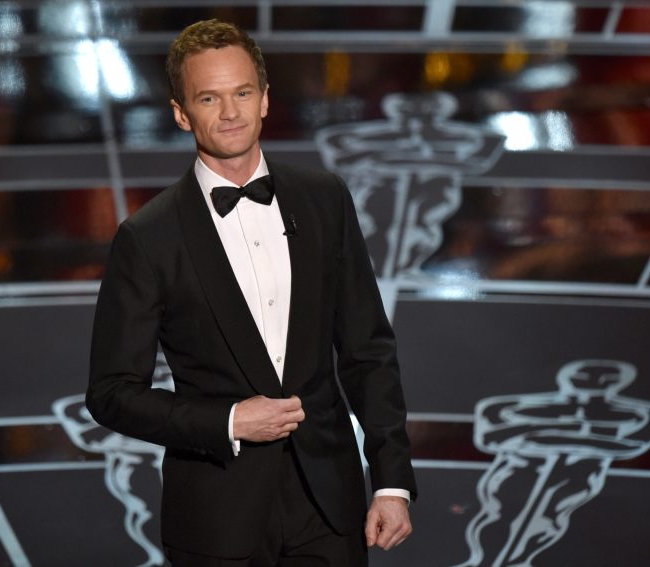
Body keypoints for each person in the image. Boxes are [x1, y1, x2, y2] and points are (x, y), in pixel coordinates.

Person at [87, 19, 417, 566]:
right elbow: (112, 392)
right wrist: (230, 422)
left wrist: (391, 483)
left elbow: (367, 349)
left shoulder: (324, 199)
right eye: (209, 98)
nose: (231, 112)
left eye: (242, 93)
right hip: (219, 519)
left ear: (265, 99)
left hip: (329, 507)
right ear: (180, 112)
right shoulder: (147, 238)